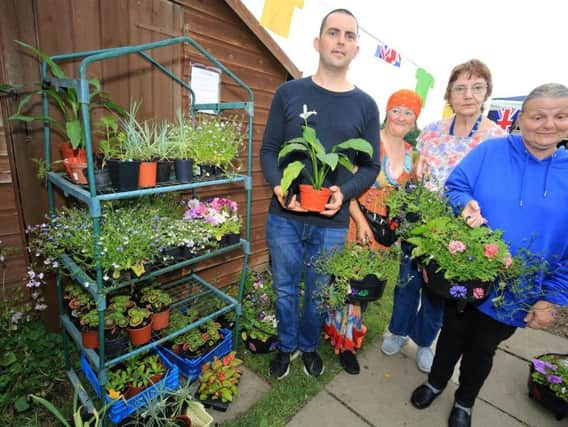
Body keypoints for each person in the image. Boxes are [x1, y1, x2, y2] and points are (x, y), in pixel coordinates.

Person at [410, 83, 568, 427]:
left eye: (560, 116)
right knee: (451, 333)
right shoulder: (491, 151)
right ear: (520, 118)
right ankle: (435, 383)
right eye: (538, 116)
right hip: (467, 274)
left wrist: (552, 299)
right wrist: (462, 205)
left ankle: (464, 401)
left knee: (483, 349)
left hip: (518, 289)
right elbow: (455, 187)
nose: (547, 124)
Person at [259, 8, 380, 380]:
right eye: (333, 32)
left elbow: (371, 167)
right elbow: (268, 150)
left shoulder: (366, 105)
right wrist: (281, 185)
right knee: (283, 288)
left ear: (357, 48)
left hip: (331, 222)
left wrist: (343, 193)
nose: (340, 40)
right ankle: (286, 345)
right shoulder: (289, 92)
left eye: (349, 35)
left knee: (317, 293)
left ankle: (309, 347)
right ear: (318, 41)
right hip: (285, 217)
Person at [381, 59, 507, 373]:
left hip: (458, 233)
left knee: (438, 293)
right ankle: (397, 331)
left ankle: (424, 342)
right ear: (449, 94)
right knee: (407, 282)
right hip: (420, 224)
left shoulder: (496, 138)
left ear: (486, 93)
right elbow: (416, 173)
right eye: (460, 88)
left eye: (476, 88)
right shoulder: (432, 132)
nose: (468, 95)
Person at [322, 89, 422, 375]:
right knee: (347, 281)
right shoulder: (368, 144)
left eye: (409, 112)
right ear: (386, 112)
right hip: (357, 222)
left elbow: (405, 196)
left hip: (384, 233)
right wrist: (362, 223)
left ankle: (344, 333)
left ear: (415, 121)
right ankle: (345, 345)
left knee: (365, 284)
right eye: (397, 109)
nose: (402, 116)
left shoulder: (411, 154)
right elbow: (346, 187)